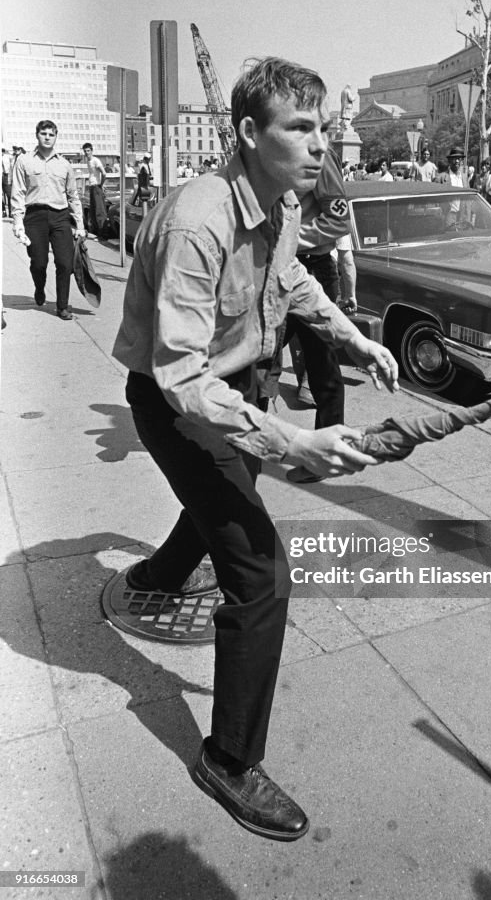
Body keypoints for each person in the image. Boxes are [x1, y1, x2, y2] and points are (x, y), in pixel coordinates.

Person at [112, 57, 398, 843]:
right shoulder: (195, 219)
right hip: (179, 402)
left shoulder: (285, 202)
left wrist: (353, 340)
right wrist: (297, 443)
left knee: (225, 495)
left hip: (234, 386)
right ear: (247, 132)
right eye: (299, 129)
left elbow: (294, 285)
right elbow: (178, 377)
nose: (319, 146)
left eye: (323, 128)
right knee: (263, 578)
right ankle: (229, 760)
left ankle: (155, 574)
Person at [282, 147, 352, 432]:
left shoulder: (318, 155)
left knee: (323, 366)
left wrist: (286, 240)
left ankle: (328, 447)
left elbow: (338, 220)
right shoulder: (273, 150)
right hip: (279, 269)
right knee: (259, 361)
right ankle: (247, 450)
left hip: (312, 268)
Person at [11, 120, 85, 320]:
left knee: (64, 263)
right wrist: (18, 222)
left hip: (60, 217)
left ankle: (62, 306)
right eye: (43, 133)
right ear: (37, 135)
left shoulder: (65, 164)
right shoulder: (24, 161)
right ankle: (39, 287)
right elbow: (17, 193)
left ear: (56, 136)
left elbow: (73, 196)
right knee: (39, 263)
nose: (47, 137)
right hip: (34, 218)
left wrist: (80, 225)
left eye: (51, 134)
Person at [82, 142, 108, 236]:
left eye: (88, 151)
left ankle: (103, 234)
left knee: (99, 211)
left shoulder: (96, 160)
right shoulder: (88, 161)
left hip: (96, 186)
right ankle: (96, 232)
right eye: (85, 151)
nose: (86, 153)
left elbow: (104, 173)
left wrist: (101, 184)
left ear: (92, 151)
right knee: (93, 210)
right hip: (92, 187)